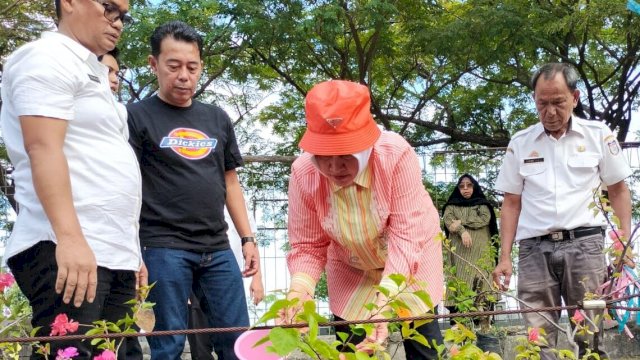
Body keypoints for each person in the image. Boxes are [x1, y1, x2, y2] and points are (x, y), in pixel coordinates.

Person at [0, 0, 145, 359]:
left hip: (112, 250)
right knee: (70, 353)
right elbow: (42, 147)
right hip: (67, 246)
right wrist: (70, 238)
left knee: (118, 355)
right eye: (109, 7)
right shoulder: (46, 57)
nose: (118, 22)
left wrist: (132, 250)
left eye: (124, 15)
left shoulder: (95, 74)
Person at [127, 21, 260, 360]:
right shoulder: (135, 117)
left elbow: (230, 181)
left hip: (216, 246)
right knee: (168, 343)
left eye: (192, 66)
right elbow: (126, 184)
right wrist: (133, 251)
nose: (184, 75)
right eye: (174, 66)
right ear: (153, 64)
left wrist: (247, 238)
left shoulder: (216, 118)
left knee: (236, 341)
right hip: (162, 246)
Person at [283, 80, 444, 358]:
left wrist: (383, 305)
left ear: (365, 145)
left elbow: (405, 237)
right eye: (324, 155)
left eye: (345, 153)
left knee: (424, 346)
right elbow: (308, 245)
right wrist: (299, 291)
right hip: (350, 263)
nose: (334, 166)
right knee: (351, 348)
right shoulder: (304, 174)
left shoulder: (395, 155)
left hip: (410, 256)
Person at [491, 62, 632, 359]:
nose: (550, 112)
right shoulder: (520, 142)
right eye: (543, 104)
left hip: (586, 246)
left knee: (590, 335)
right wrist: (504, 257)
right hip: (533, 250)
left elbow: (618, 190)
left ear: (575, 98)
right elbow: (511, 202)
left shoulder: (598, 135)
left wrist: (624, 242)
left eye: (558, 102)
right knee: (537, 338)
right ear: (534, 100)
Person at [187, 204, 264, 360]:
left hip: (229, 282)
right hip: (197, 281)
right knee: (200, 346)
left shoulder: (240, 204)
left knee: (236, 341)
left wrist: (258, 279)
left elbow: (252, 242)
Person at [442, 174, 498, 323]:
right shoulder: (451, 206)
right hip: (460, 257)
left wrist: (461, 222)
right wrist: (462, 230)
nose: (465, 189)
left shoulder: (482, 205)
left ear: (475, 187)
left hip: (481, 255)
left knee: (483, 286)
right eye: (462, 186)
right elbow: (448, 221)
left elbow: (485, 219)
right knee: (461, 287)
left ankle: (485, 327)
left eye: (469, 185)